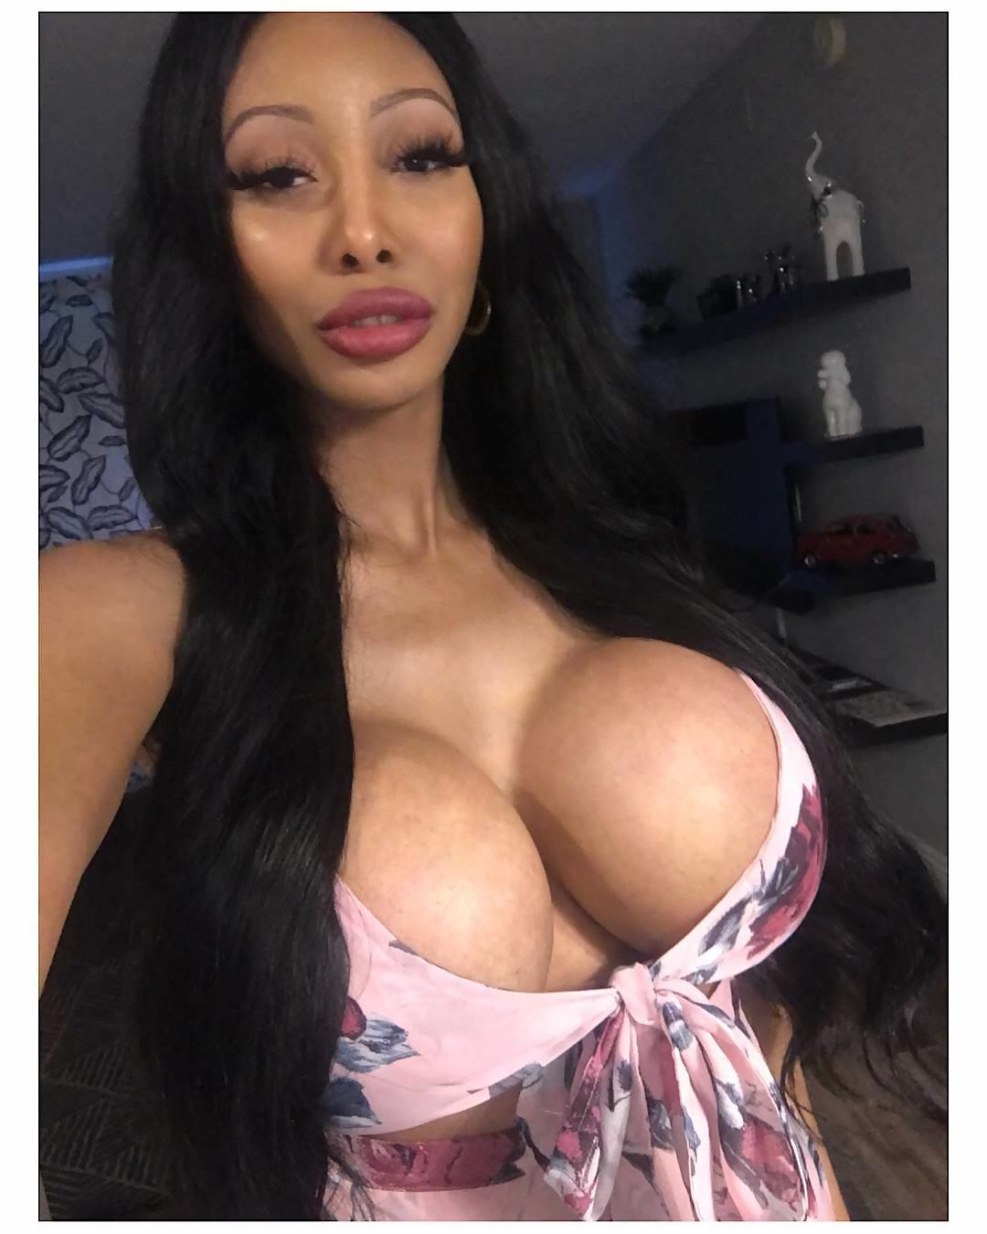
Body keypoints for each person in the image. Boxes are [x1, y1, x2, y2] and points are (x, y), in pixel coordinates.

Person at [39, 11, 945, 1221]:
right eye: (278, 174)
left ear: (483, 217)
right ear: (204, 253)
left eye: (420, 155)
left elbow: (758, 1039)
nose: (365, 231)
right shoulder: (118, 611)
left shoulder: (618, 551)